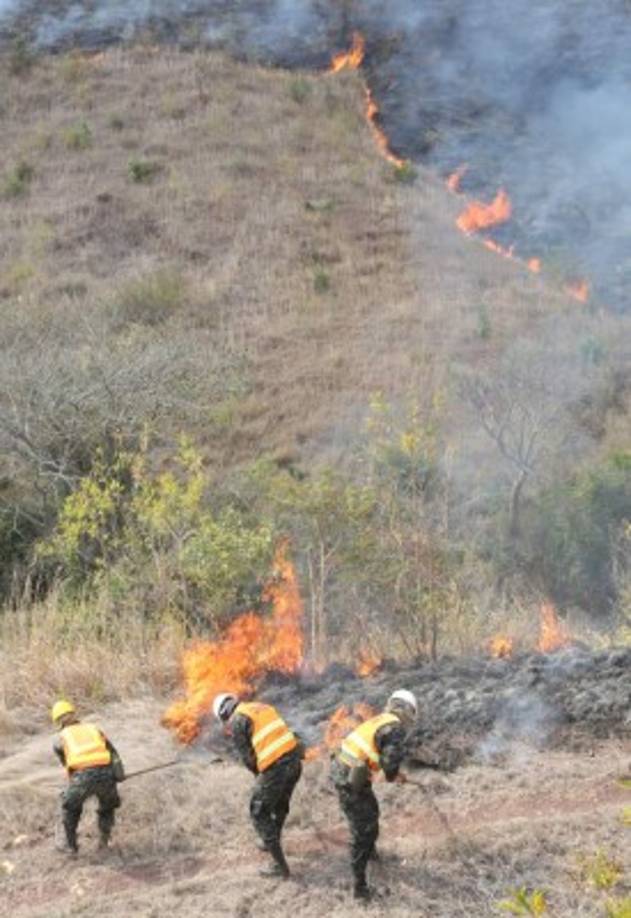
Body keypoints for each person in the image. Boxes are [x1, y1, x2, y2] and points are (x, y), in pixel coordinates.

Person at [330, 689, 418, 901]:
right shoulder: (394, 728)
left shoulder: (381, 719)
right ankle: (359, 889)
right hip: (350, 776)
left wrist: (392, 772)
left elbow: (375, 754)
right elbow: (389, 765)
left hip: (348, 770)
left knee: (370, 815)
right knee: (364, 830)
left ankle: (370, 853)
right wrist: (393, 774)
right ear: (409, 711)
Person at [213, 693, 304, 879]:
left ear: (224, 714)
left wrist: (260, 776)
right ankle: (271, 839)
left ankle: (280, 868)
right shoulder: (262, 707)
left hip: (276, 767)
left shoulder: (238, 720)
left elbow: (249, 759)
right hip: (295, 762)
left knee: (258, 811)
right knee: (279, 805)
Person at [51, 699, 125, 854]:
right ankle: (104, 842)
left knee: (70, 807)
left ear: (57, 721)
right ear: (74, 714)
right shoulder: (94, 728)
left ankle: (71, 848)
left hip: (82, 777)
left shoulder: (59, 738)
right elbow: (113, 753)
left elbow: (68, 766)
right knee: (107, 807)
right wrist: (119, 774)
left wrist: (74, 786)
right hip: (106, 775)